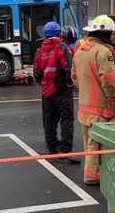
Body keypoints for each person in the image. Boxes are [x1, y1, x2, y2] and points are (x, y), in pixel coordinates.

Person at [72, 15, 115, 184]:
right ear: (105, 34)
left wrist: (87, 89)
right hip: (99, 109)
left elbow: (74, 77)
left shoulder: (81, 51)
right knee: (95, 144)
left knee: (88, 142)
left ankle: (91, 172)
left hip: (85, 107)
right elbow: (109, 83)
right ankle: (92, 177)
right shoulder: (104, 52)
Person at [33, 22, 80, 164]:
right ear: (59, 33)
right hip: (61, 91)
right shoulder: (62, 47)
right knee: (66, 119)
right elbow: (68, 68)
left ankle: (52, 148)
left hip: (46, 92)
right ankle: (65, 150)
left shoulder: (40, 50)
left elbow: (36, 73)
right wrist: (69, 84)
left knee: (49, 120)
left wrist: (45, 84)